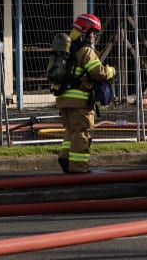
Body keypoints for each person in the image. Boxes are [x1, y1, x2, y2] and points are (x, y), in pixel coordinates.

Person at [56, 13, 116, 174]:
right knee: (82, 132)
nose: (95, 37)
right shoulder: (86, 52)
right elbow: (98, 73)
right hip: (79, 102)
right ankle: (79, 168)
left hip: (63, 100)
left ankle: (65, 157)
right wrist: (111, 71)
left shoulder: (67, 51)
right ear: (85, 33)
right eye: (93, 33)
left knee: (71, 130)